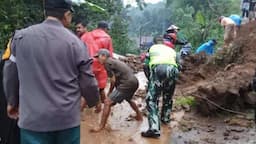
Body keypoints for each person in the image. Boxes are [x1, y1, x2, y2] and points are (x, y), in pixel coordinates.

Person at [3, 0, 99, 143]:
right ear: (67, 15)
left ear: (44, 12)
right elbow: (88, 83)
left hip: (32, 118)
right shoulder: (77, 43)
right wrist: (94, 101)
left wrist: (11, 101)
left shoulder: (19, 38)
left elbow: (10, 72)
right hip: (66, 120)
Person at [90, 49, 143, 133]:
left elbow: (113, 80)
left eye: (98, 57)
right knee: (129, 99)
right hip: (134, 81)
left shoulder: (107, 63)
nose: (98, 59)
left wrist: (110, 93)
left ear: (104, 56)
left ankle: (101, 126)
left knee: (107, 102)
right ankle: (139, 116)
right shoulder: (113, 61)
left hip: (127, 83)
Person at [141, 36, 179, 138]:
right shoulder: (172, 50)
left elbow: (145, 65)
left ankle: (154, 128)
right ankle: (165, 119)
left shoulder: (152, 48)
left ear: (154, 43)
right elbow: (179, 64)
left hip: (159, 69)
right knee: (168, 96)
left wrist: (150, 79)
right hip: (173, 70)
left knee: (151, 99)